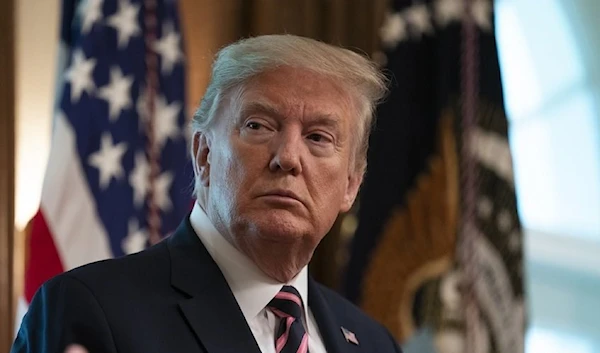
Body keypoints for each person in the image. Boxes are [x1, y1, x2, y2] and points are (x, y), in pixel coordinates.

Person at [11, 34, 401, 353]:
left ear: (351, 184)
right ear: (203, 155)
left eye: (318, 137)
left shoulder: (373, 342)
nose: (288, 157)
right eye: (258, 125)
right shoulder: (90, 310)